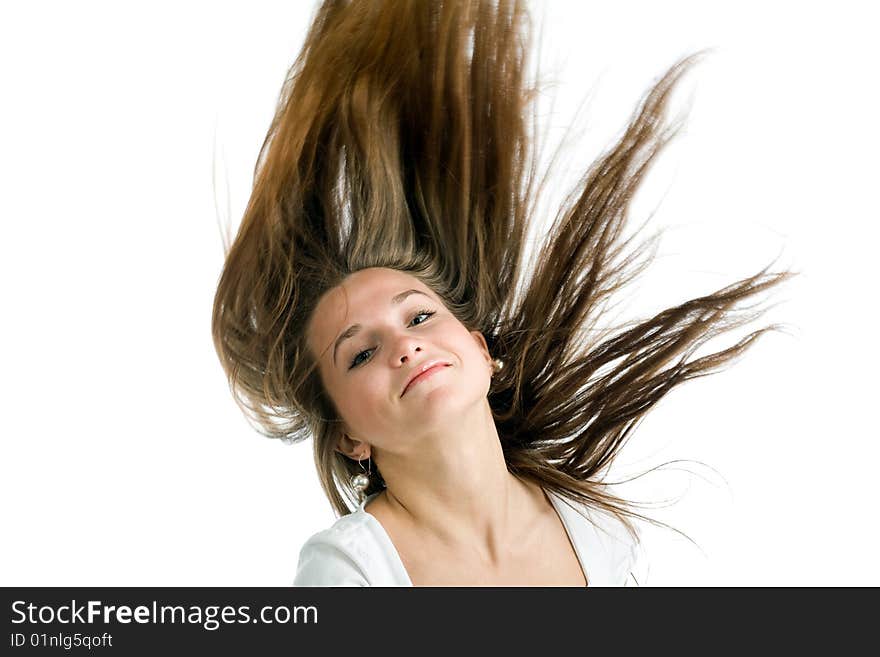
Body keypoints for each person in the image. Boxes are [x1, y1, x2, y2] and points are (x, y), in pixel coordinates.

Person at [212, 0, 793, 586]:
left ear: (482, 351)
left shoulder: (594, 529)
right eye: (360, 353)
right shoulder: (350, 568)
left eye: (418, 316)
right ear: (349, 437)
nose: (404, 347)